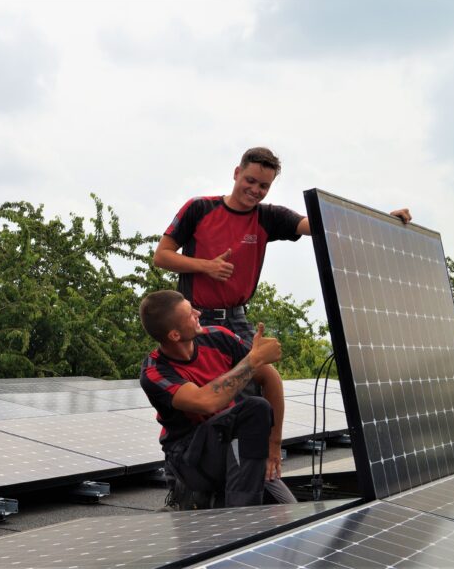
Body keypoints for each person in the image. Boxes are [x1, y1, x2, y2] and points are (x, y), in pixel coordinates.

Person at [151, 147, 411, 500]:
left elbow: (317, 224)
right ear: (236, 173)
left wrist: (381, 219)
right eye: (250, 180)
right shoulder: (200, 208)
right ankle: (184, 486)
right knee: (201, 405)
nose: (256, 190)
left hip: (236, 319)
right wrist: (205, 266)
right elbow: (162, 256)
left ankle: (253, 481)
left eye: (264, 186)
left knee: (250, 400)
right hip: (195, 316)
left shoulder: (266, 218)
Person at [139, 290, 284, 509]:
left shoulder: (218, 337)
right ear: (175, 335)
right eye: (190, 314)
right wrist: (252, 360)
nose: (198, 313)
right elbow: (205, 401)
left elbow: (270, 377)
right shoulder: (155, 372)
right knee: (255, 408)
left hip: (230, 440)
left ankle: (238, 501)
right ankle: (241, 518)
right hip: (191, 455)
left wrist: (274, 445)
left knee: (287, 510)